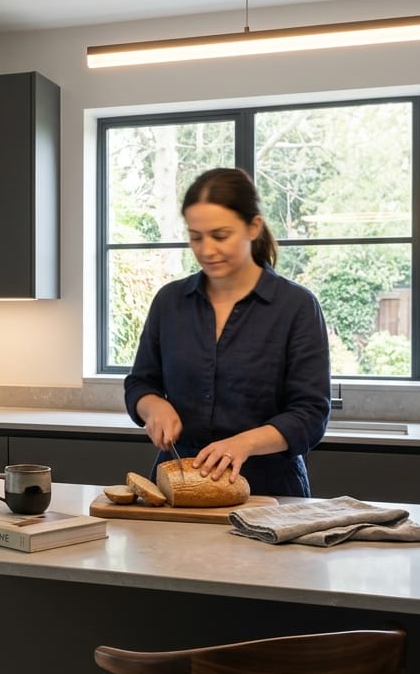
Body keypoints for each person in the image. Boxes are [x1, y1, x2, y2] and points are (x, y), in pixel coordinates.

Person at [123, 167, 331, 497]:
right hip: (178, 486)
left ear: (253, 227)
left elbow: (311, 415)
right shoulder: (170, 302)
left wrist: (243, 444)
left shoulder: (296, 306)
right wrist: (152, 406)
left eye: (220, 236)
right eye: (196, 237)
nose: (206, 250)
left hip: (270, 491)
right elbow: (140, 383)